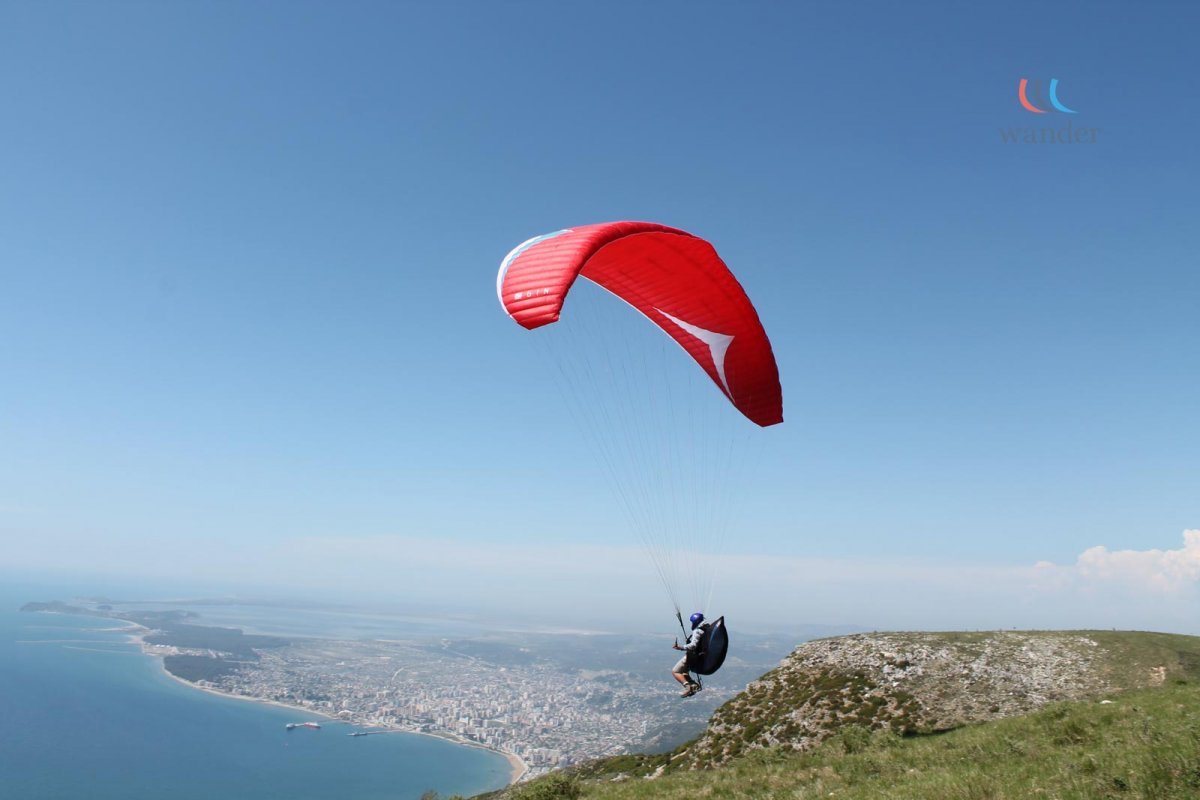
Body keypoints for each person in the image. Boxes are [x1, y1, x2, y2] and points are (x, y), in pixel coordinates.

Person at [671, 612, 707, 697]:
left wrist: (680, 647)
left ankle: (688, 687)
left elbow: (693, 645)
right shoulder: (706, 628)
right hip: (700, 656)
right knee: (684, 672)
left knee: (675, 671)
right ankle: (694, 685)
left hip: (693, 656)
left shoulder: (698, 630)